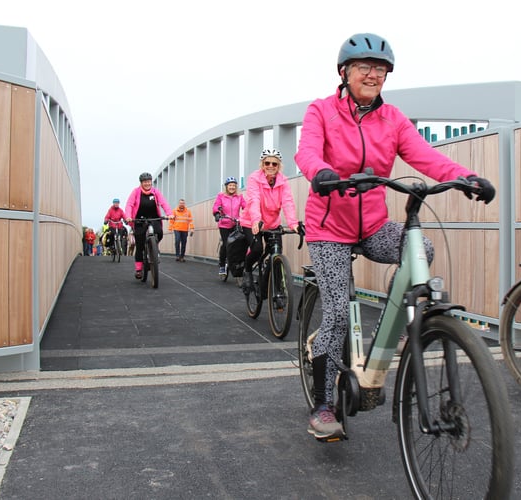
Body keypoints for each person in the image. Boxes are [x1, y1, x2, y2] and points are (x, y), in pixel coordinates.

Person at [294, 33, 495, 441]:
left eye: (380, 68)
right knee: (336, 309)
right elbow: (307, 151)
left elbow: (425, 155)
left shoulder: (393, 119)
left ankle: (399, 329)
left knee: (420, 245)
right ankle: (323, 404)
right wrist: (322, 174)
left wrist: (464, 178)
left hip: (371, 225)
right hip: (329, 228)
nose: (373, 74)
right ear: (344, 72)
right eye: (364, 67)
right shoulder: (321, 111)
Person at [241, 148, 300, 293]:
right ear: (262, 164)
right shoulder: (254, 178)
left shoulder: (283, 181)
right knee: (257, 249)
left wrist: (293, 223)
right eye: (267, 162)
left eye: (274, 164)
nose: (271, 166)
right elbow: (254, 200)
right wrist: (256, 220)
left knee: (276, 253)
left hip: (272, 223)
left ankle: (276, 288)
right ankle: (247, 271)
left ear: (279, 166)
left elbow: (287, 202)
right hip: (252, 222)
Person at [124, 172, 173, 279]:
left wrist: (169, 214)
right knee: (140, 244)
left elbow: (163, 203)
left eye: (149, 181)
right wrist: (128, 216)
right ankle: (138, 269)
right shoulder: (136, 192)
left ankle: (153, 248)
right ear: (141, 183)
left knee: (159, 233)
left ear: (151, 182)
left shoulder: (155, 192)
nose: (147, 183)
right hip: (139, 219)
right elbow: (129, 205)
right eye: (145, 182)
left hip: (153, 217)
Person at [212, 176, 246, 276]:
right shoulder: (221, 196)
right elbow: (216, 206)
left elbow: (246, 206)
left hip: (236, 223)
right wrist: (217, 213)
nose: (232, 187)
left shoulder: (240, 197)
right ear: (226, 187)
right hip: (224, 224)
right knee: (227, 244)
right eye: (230, 185)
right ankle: (222, 265)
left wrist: (248, 214)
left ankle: (236, 264)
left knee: (238, 244)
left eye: (234, 185)